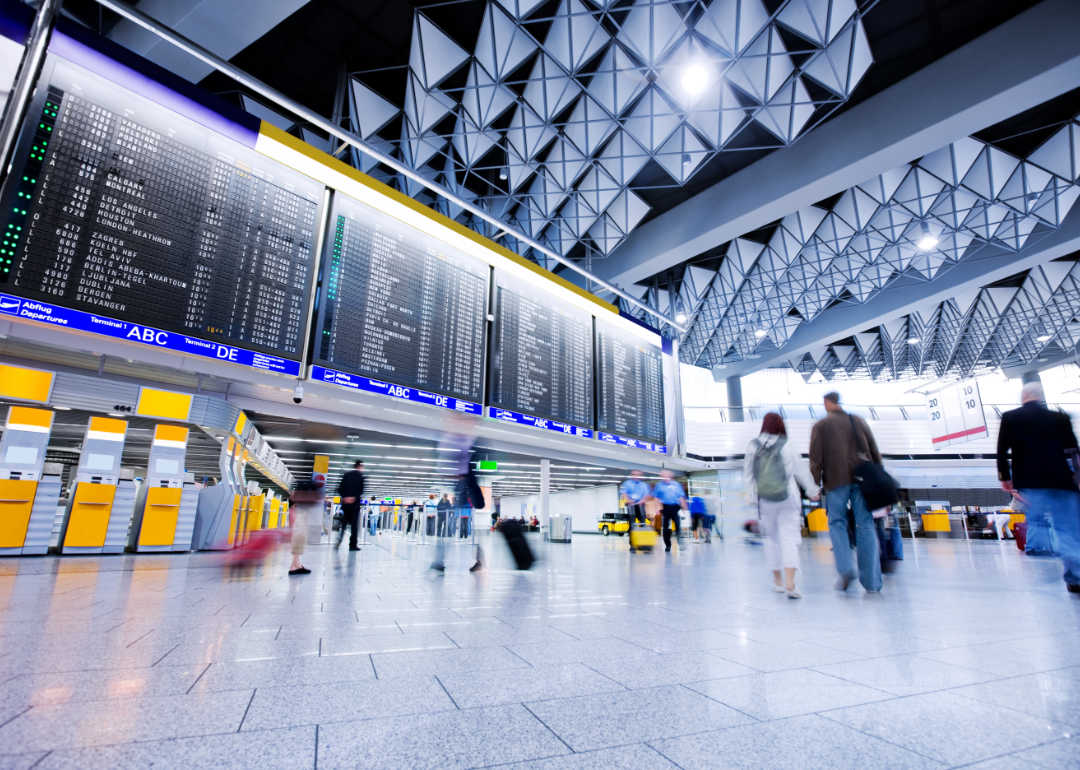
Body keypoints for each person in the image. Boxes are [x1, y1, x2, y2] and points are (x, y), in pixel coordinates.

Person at [997, 381, 1080, 593]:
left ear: (1023, 397)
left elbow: (1002, 451)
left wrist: (1005, 476)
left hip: (1031, 482)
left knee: (1038, 522)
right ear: (1041, 397)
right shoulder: (1060, 417)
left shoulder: (1011, 417)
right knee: (1068, 531)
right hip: (1062, 481)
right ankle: (1075, 577)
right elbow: (1073, 449)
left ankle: (1041, 554)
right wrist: (1076, 476)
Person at [809, 392, 883, 593]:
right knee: (866, 525)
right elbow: (874, 451)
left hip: (836, 480)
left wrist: (814, 486)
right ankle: (872, 583)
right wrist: (880, 477)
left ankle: (846, 568)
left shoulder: (821, 426)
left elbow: (816, 459)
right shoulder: (857, 421)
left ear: (826, 403)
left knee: (837, 523)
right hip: (863, 480)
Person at [745, 413, 820, 598]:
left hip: (765, 499)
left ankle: (778, 582)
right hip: (789, 497)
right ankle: (790, 584)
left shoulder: (753, 445)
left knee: (771, 539)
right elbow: (801, 471)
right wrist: (812, 490)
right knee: (789, 538)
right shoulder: (787, 444)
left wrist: (754, 497)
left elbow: (748, 475)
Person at [288, 480, 324, 575]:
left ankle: (296, 564)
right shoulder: (302, 504)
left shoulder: (297, 499)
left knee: (300, 536)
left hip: (299, 513)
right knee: (300, 536)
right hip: (300, 514)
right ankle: (294, 566)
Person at [652, 470, 688, 552]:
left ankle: (681, 543)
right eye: (663, 475)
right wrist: (656, 508)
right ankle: (668, 545)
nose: (665, 477)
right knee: (665, 527)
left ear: (671, 476)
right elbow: (656, 497)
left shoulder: (677, 485)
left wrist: (684, 506)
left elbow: (681, 496)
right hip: (665, 507)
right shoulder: (659, 485)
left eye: (667, 475)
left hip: (675, 507)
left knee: (677, 525)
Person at [336, 460, 365, 551]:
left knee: (343, 524)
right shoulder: (361, 477)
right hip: (355, 505)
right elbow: (360, 491)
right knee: (354, 526)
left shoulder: (346, 475)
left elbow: (339, 488)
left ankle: (339, 539)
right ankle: (352, 545)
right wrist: (353, 498)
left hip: (346, 505)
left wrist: (345, 497)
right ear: (360, 466)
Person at [621, 470, 652, 553]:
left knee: (643, 524)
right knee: (632, 525)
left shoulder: (644, 485)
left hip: (641, 505)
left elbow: (647, 495)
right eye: (634, 474)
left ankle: (645, 545)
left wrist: (642, 501)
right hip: (631, 505)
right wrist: (629, 500)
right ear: (632, 475)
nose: (636, 476)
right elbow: (624, 493)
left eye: (638, 475)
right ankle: (632, 545)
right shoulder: (627, 483)